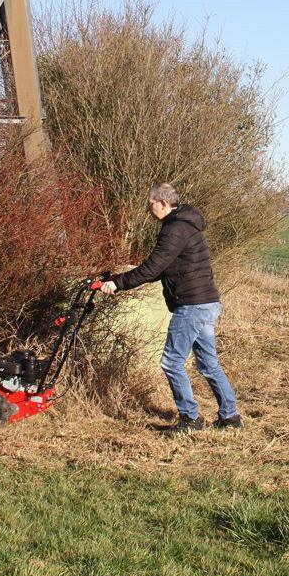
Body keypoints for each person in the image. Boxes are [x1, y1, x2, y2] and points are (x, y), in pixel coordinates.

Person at [99, 184, 240, 433]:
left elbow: (154, 267)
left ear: (163, 204)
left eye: (150, 202)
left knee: (172, 362)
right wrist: (119, 278)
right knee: (208, 363)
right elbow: (163, 268)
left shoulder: (175, 229)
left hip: (192, 305)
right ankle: (230, 417)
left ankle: (190, 420)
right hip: (206, 302)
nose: (147, 207)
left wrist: (118, 283)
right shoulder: (185, 225)